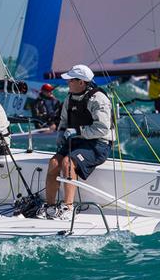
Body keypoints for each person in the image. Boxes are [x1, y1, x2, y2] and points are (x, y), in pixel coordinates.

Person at [36, 64, 113, 220]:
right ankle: (50, 207)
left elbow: (103, 129)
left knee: (68, 163)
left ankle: (68, 207)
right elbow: (64, 121)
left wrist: (78, 131)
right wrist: (61, 134)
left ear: (82, 82)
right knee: (54, 163)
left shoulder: (99, 99)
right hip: (76, 142)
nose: (68, 83)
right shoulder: (69, 98)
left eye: (71, 80)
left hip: (98, 144)